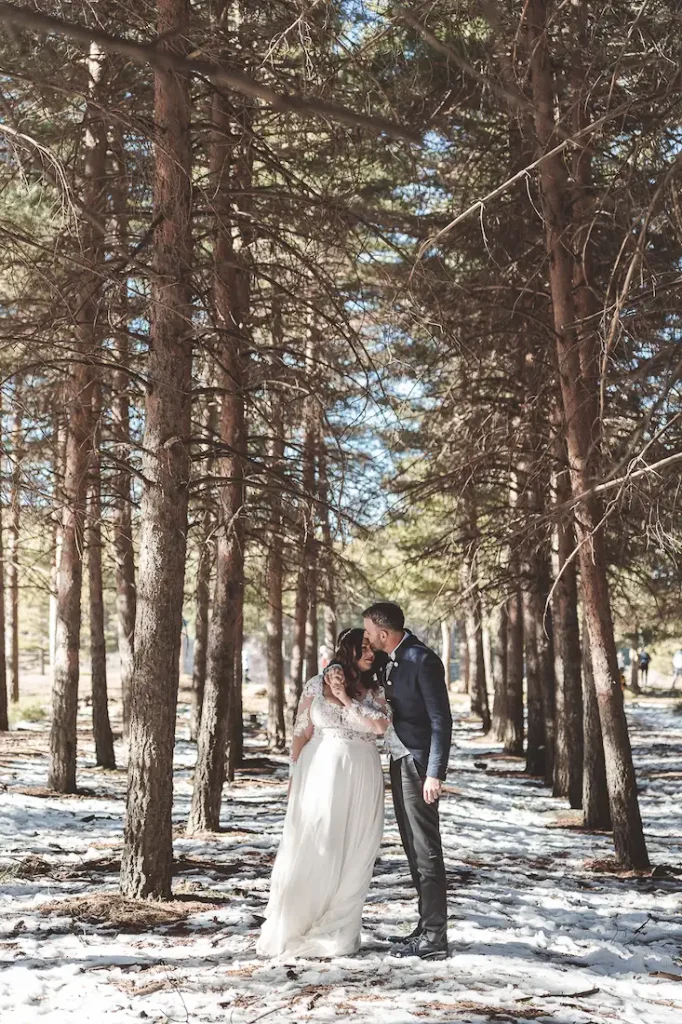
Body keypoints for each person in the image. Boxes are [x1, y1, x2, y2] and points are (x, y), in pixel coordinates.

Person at [257, 629, 391, 958]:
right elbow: (302, 732)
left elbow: (380, 727)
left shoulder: (374, 688)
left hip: (362, 773)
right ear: (347, 650)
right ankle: (298, 924)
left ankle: (340, 930)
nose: (370, 654)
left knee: (356, 850)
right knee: (318, 845)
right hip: (320, 772)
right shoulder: (316, 684)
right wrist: (293, 772)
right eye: (363, 649)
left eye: (371, 648)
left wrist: (347, 697)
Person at [363, 602, 453, 961]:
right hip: (398, 760)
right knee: (411, 848)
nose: (368, 638)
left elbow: (440, 720)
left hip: (418, 765)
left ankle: (435, 937)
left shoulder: (422, 659)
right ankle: (425, 926)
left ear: (384, 634)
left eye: (370, 632)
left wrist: (435, 773)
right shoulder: (392, 659)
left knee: (426, 849)